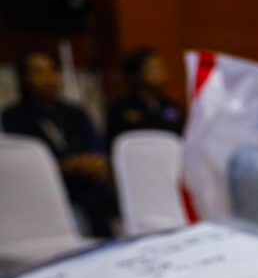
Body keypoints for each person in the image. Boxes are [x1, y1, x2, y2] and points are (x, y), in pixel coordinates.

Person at [2, 51, 116, 237]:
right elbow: (23, 163)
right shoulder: (14, 116)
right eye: (38, 72)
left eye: (52, 71)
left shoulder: (74, 112)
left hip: (90, 182)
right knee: (89, 204)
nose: (49, 78)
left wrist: (95, 161)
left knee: (114, 196)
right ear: (24, 78)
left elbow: (97, 146)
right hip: (47, 188)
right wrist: (69, 166)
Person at [106, 48, 185, 145]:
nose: (160, 73)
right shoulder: (120, 108)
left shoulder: (172, 107)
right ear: (137, 74)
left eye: (162, 67)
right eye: (153, 68)